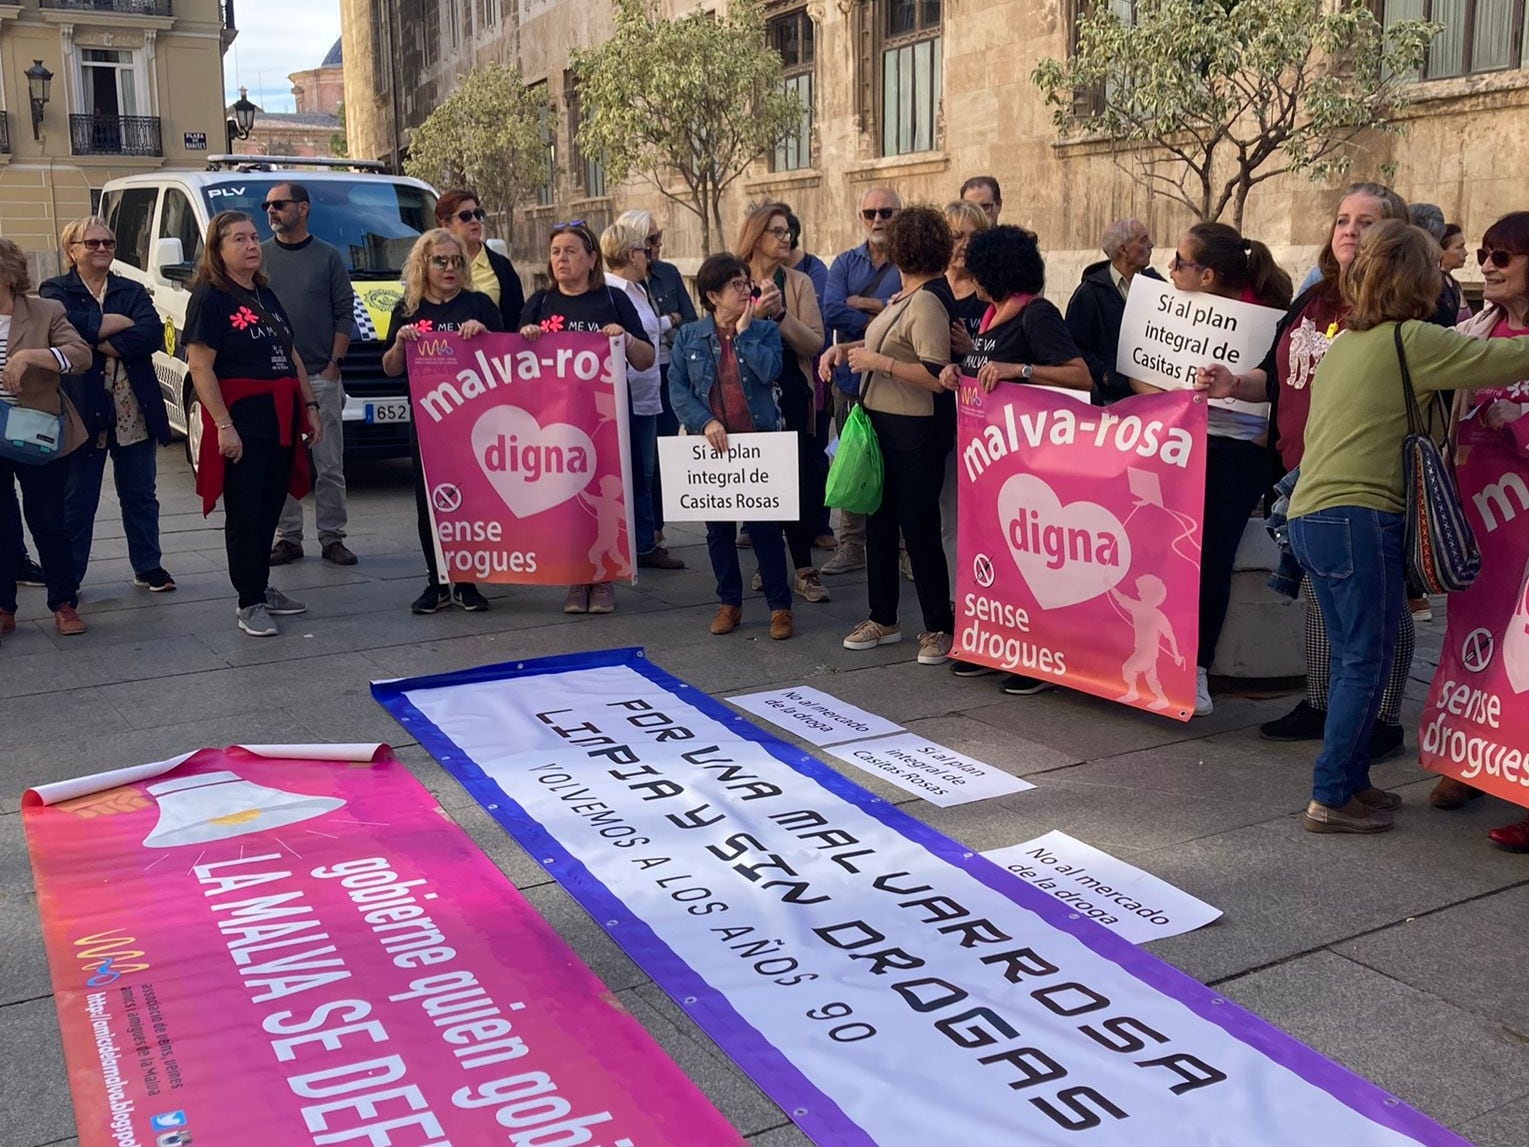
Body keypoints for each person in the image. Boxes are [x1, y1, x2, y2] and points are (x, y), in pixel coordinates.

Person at [1204, 219, 1529, 834]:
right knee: (1363, 662)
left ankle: (1354, 781)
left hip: (1312, 519)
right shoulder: (1413, 341)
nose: (1448, 276)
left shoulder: (1349, 342)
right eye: (1438, 267)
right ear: (1417, 279)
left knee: (1365, 656)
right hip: (1358, 519)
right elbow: (1509, 356)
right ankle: (1330, 795)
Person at [1241, 183, 1416, 756]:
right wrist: (1233, 385)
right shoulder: (1311, 300)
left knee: (1383, 602)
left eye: (1366, 223)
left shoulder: (1400, 306)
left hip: (1363, 477)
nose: (1348, 230)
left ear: (1394, 237)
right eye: (1342, 219)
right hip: (1301, 473)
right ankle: (1323, 700)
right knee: (1320, 597)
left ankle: (1382, 716)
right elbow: (1277, 376)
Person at [1143, 222, 1292, 717]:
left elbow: (1280, 390)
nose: (1169, 269)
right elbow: (1140, 373)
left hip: (1234, 453)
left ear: (1206, 275)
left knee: (1209, 558)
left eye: (1179, 262)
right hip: (1175, 443)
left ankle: (1196, 667)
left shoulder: (1268, 323)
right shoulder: (1166, 314)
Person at [940, 225, 1092, 691]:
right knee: (998, 556)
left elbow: (1081, 377)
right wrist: (958, 371)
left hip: (1033, 460)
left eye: (978, 272)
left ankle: (1038, 658)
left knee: (1030, 557)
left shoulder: (1037, 313)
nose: (971, 281)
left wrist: (1018, 370)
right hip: (991, 461)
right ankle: (998, 645)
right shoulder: (990, 317)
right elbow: (985, 373)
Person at [1427, 211, 1529, 845]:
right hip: (1476, 517)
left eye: (1504, 256)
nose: (1486, 265)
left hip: (1522, 510)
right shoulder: (1473, 331)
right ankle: (1467, 758)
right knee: (1472, 631)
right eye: (1485, 253)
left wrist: (1511, 425)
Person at [820, 205, 957, 667]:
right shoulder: (906, 297)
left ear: (901, 250)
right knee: (880, 525)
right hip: (883, 422)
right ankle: (884, 616)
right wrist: (844, 349)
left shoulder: (928, 302)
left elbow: (938, 375)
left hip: (914, 427)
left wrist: (879, 364)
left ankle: (939, 625)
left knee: (918, 530)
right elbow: (880, 344)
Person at [184, 211, 321, 637]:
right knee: (245, 511)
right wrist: (223, 425)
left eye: (253, 238)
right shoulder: (211, 297)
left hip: (280, 414)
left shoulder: (264, 294)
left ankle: (260, 585)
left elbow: (292, 355)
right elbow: (201, 366)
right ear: (218, 249)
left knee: (269, 507)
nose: (251, 245)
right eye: (239, 239)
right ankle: (248, 600)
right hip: (243, 416)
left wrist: (310, 405)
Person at [520, 221, 655, 616]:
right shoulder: (540, 304)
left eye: (571, 251)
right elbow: (513, 367)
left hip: (605, 420)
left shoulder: (612, 301)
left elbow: (645, 361)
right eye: (556, 251)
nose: (562, 258)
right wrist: (526, 338)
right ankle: (576, 578)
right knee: (566, 496)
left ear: (592, 258)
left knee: (605, 494)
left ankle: (603, 580)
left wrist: (626, 340)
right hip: (556, 420)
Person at [42, 216, 174, 596]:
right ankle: (70, 575)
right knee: (77, 498)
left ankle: (148, 565)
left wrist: (92, 335)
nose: (102, 249)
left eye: (109, 243)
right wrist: (111, 323)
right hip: (83, 408)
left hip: (133, 407)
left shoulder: (131, 290)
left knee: (140, 493)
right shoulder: (55, 289)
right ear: (72, 250)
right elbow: (56, 327)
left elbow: (150, 333)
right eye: (93, 243)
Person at [670, 254, 793, 640]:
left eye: (746, 282)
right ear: (712, 295)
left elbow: (771, 372)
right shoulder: (690, 336)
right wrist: (704, 421)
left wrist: (743, 333)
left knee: (765, 530)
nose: (746, 290)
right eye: (735, 285)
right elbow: (677, 389)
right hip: (711, 450)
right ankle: (729, 603)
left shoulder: (764, 331)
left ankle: (780, 607)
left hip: (757, 445)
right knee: (718, 532)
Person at [381, 228, 502, 615]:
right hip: (429, 423)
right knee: (430, 503)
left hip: (475, 421)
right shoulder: (408, 309)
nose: (450, 268)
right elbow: (389, 368)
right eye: (440, 261)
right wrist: (400, 342)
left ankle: (467, 581)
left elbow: (508, 360)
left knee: (472, 500)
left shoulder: (479, 304)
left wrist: (483, 337)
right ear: (423, 264)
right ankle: (437, 580)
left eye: (456, 261)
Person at [736, 202, 829, 604]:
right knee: (761, 482)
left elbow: (814, 342)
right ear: (756, 236)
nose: (785, 236)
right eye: (776, 230)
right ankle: (770, 562)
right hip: (747, 394)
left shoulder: (799, 282)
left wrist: (779, 317)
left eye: (787, 230)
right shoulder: (733, 279)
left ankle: (804, 569)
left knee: (796, 481)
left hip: (791, 390)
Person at [0, 237, 91, 639]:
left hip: (36, 433)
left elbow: (81, 354)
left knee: (48, 520)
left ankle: (64, 602)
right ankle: (4, 605)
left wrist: (28, 357)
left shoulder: (45, 310)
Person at [262, 182, 358, 568]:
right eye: (267, 204)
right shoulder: (260, 257)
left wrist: (335, 365)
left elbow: (344, 313)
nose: (271, 210)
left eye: (279, 204)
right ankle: (289, 537)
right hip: (276, 379)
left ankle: (332, 537)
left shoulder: (328, 257)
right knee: (283, 461)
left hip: (321, 374)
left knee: (329, 463)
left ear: (302, 208)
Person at [822, 187, 903, 576]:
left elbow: (908, 312)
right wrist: (885, 315)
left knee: (894, 463)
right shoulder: (844, 263)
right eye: (870, 212)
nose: (877, 219)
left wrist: (866, 305)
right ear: (860, 217)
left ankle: (902, 550)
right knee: (850, 459)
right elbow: (832, 310)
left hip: (894, 385)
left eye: (886, 211)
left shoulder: (909, 263)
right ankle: (850, 545)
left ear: (898, 215)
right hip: (850, 381)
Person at [602, 221, 684, 572]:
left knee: (646, 469)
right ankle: (641, 541)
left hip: (648, 391)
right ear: (631, 254)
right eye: (643, 250)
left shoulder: (636, 289)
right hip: (630, 394)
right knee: (638, 470)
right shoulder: (613, 291)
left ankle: (646, 537)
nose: (649, 256)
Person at [921, 200, 992, 584]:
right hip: (932, 416)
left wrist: (972, 349)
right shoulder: (925, 287)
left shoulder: (991, 292)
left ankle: (966, 593)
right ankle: (949, 593)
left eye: (973, 236)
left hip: (980, 423)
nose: (963, 245)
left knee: (967, 512)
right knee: (939, 511)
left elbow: (1006, 356)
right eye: (956, 236)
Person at [616, 209, 695, 550]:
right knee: (641, 456)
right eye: (650, 241)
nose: (657, 246)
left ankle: (656, 528)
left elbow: (689, 320)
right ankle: (643, 531)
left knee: (663, 450)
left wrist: (669, 326)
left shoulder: (667, 273)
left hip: (668, 368)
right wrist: (666, 321)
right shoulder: (619, 285)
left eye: (659, 237)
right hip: (637, 375)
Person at [782, 206, 836, 551]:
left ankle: (818, 523)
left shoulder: (812, 272)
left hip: (814, 373)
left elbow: (827, 317)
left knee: (814, 454)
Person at [1065, 217, 1162, 405]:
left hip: (1151, 399)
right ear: (1123, 249)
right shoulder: (1088, 294)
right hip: (1109, 402)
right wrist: (1106, 376)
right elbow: (1074, 346)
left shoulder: (1157, 285)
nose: (1151, 244)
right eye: (1143, 240)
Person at [436, 189, 525, 329]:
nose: (474, 221)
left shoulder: (501, 266)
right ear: (445, 224)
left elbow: (517, 321)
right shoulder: (430, 266)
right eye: (465, 216)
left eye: (478, 214)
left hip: (491, 349)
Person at [1440, 222, 1472, 324]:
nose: (1466, 252)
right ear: (1440, 250)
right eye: (1459, 247)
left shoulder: (1454, 284)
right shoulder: (1435, 286)